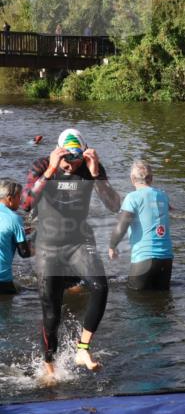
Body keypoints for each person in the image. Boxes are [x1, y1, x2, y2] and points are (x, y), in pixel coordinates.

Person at [21, 128, 120, 383]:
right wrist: (50, 171)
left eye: (74, 162)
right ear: (58, 152)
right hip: (48, 244)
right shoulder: (43, 164)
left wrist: (97, 174)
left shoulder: (89, 167)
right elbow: (26, 204)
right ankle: (49, 364)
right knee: (52, 312)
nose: (70, 166)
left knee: (100, 286)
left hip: (78, 241)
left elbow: (114, 205)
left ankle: (82, 350)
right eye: (66, 160)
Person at [109, 160, 173, 291]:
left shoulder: (132, 198)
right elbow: (170, 210)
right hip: (166, 259)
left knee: (135, 302)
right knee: (162, 300)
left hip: (144, 258)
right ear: (152, 178)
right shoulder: (162, 195)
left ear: (132, 179)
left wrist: (112, 246)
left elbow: (122, 226)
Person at [0, 179, 32, 294]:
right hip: (2, 280)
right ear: (10, 199)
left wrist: (19, 233)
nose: (21, 201)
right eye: (19, 197)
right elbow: (24, 253)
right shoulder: (14, 218)